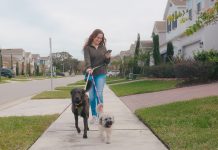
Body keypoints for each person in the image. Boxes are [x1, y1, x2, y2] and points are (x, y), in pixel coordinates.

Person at [83, 29, 111, 124]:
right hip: (90, 73)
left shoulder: (103, 48)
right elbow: (87, 59)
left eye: (101, 38)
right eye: (98, 37)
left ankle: (100, 116)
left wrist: (108, 57)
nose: (99, 39)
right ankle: (94, 115)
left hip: (101, 73)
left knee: (99, 94)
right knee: (91, 97)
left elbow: (106, 62)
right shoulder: (87, 48)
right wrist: (88, 67)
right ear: (93, 36)